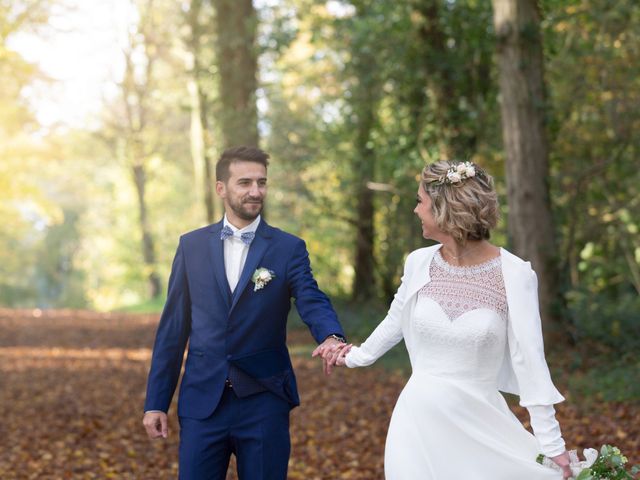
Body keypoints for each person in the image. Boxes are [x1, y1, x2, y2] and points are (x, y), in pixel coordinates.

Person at [330, 160, 573, 479]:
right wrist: (353, 357)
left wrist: (552, 444)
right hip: (415, 424)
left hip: (480, 427)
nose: (416, 210)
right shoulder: (418, 262)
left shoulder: (515, 274)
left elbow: (530, 362)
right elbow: (394, 323)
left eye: (420, 201)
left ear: (445, 209)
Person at [142, 146, 346, 480]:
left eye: (262, 183)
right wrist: (156, 402)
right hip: (202, 404)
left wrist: (331, 336)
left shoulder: (288, 248)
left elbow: (311, 298)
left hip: (264, 400)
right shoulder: (190, 247)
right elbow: (173, 331)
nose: (256, 191)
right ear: (221, 188)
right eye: (245, 182)